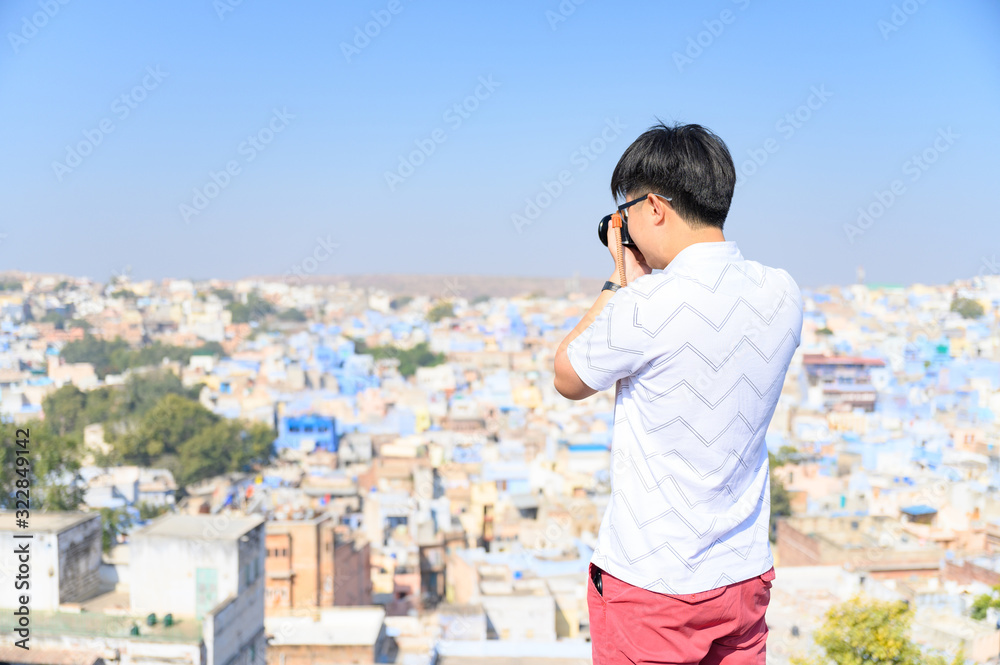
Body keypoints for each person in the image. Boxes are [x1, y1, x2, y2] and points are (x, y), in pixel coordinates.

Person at [553, 122, 803, 665]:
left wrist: (619, 282)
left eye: (625, 213)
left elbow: (566, 377)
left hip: (653, 584)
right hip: (742, 574)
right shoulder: (782, 291)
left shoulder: (646, 307)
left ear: (654, 208)